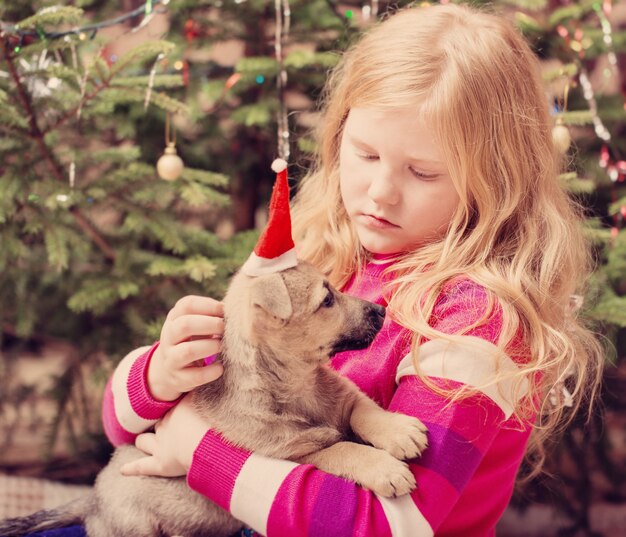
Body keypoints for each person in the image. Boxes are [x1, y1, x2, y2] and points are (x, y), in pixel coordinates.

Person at [103, 3, 604, 536]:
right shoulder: (325, 253)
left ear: (496, 180)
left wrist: (196, 448)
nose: (381, 192)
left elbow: (386, 523)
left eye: (423, 172)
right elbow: (119, 428)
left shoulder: (474, 321)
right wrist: (159, 375)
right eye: (365, 154)